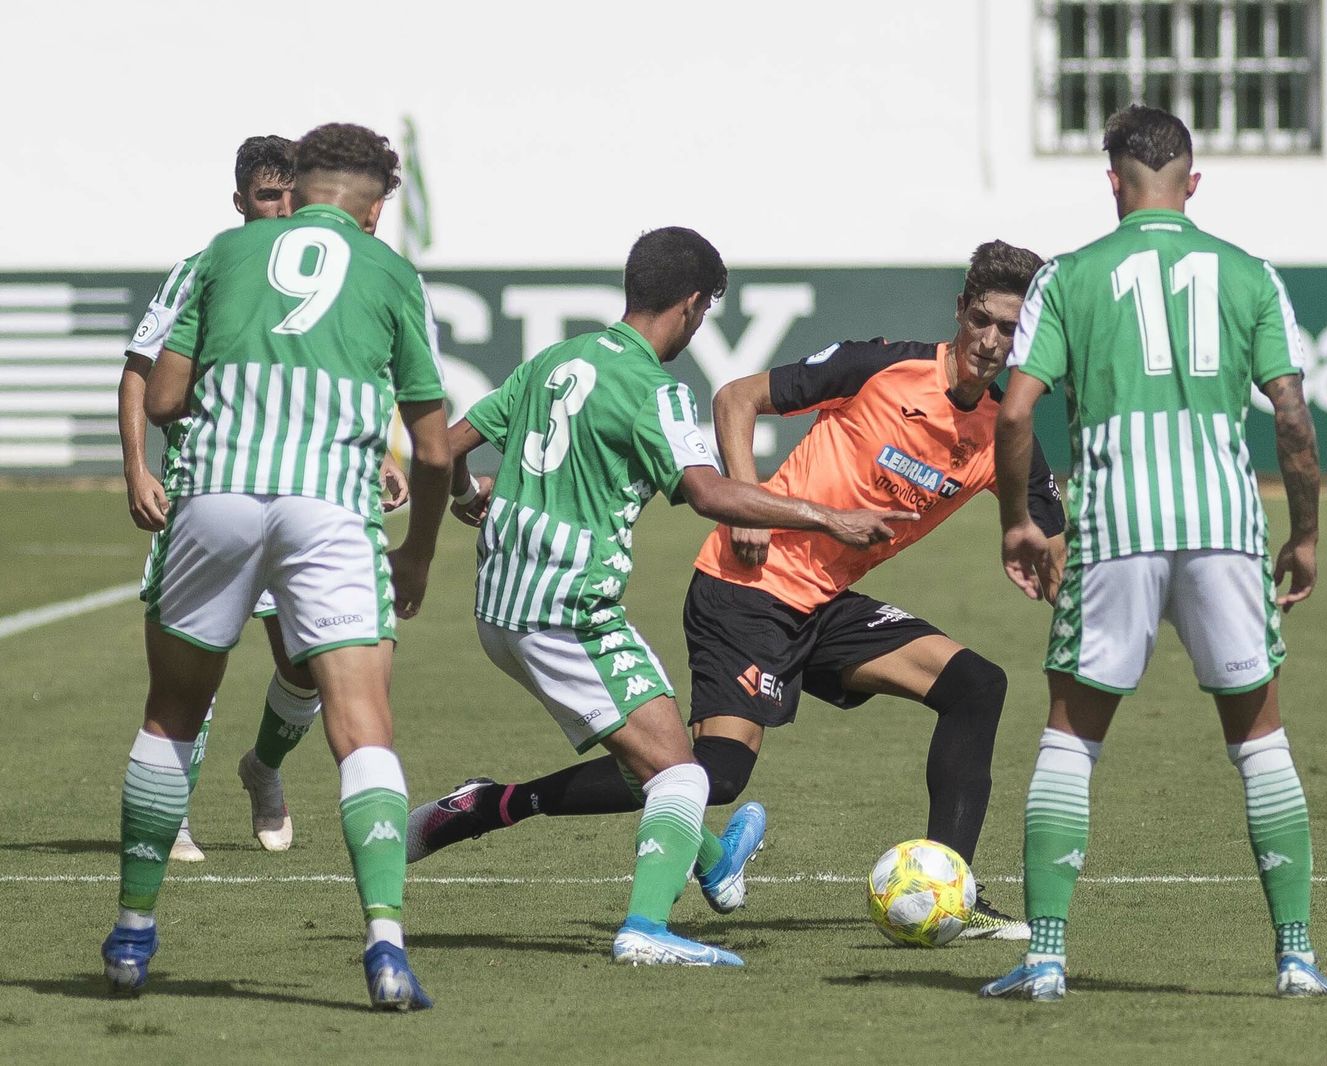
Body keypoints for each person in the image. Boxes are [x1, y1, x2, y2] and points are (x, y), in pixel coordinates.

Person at [409, 240, 1067, 939]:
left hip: (823, 602)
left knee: (975, 686)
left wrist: (1080, 597)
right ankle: (498, 803)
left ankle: (951, 890)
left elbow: (1055, 546)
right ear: (960, 311)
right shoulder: (882, 366)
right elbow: (737, 396)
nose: (991, 342)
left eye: (1009, 329)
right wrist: (746, 503)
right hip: (745, 589)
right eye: (982, 321)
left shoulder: (1008, 433)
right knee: (712, 777)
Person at [978, 105, 1327, 1000]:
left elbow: (1015, 413)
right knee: (1260, 739)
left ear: (1113, 181)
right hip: (1224, 527)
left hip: (1113, 530)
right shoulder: (1251, 274)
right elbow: (1292, 417)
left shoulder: (1068, 276)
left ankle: (1047, 958)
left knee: (1071, 739)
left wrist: (1019, 522)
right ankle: (1295, 957)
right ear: (1192, 182)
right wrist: (1305, 534)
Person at [102, 122, 451, 1011]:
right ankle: (385, 948)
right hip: (328, 508)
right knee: (363, 732)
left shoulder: (222, 254)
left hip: (215, 494)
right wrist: (416, 553)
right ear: (375, 206)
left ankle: (133, 935)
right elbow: (433, 447)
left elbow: (165, 395)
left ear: (296, 186)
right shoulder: (391, 273)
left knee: (170, 716)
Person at [118, 135, 410, 861]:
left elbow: (340, 377)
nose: (280, 208)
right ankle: (173, 816)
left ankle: (264, 767)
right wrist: (137, 470)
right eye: (265, 196)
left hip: (302, 491)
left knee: (308, 665)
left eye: (288, 194)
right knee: (195, 666)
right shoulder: (209, 265)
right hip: (206, 491)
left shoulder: (332, 270)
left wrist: (375, 454)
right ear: (240, 201)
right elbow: (142, 373)